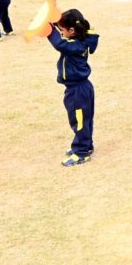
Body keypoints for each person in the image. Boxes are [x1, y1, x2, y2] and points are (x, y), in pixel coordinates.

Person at [47, 9, 100, 166]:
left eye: (62, 30)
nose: (61, 33)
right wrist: (52, 21)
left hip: (78, 91)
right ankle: (86, 145)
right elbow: (63, 41)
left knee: (79, 121)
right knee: (84, 119)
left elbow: (60, 44)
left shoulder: (75, 45)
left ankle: (81, 151)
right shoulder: (81, 39)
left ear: (72, 30)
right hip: (81, 88)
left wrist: (49, 30)